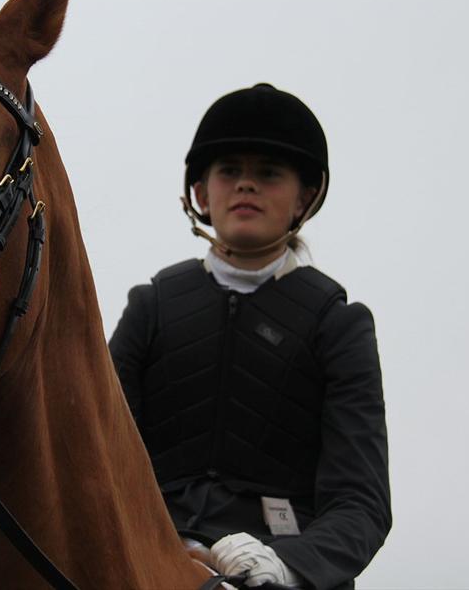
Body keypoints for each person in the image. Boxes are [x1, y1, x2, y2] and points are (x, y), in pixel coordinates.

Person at [109, 83, 391, 590]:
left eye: (268, 173)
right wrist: (159, 543)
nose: (246, 186)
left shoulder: (338, 323)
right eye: (230, 171)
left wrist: (290, 565)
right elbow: (99, 451)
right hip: (150, 552)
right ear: (201, 192)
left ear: (304, 196)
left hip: (280, 565)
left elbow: (361, 503)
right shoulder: (150, 307)